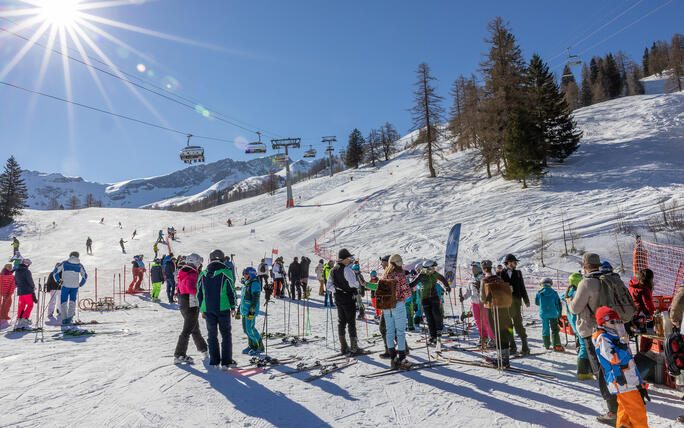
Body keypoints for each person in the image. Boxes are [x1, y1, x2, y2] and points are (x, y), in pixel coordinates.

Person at [565, 252, 619, 426]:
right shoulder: (609, 280)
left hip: (592, 331)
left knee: (600, 370)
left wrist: (568, 300)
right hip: (612, 329)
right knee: (613, 365)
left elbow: (575, 308)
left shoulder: (585, 283)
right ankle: (622, 403)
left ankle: (613, 411)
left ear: (585, 266)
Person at [592, 306, 649, 428]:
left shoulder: (614, 336)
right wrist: (623, 345)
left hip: (627, 379)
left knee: (624, 409)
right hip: (622, 380)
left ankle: (623, 425)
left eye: (618, 321)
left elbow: (629, 361)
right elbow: (613, 358)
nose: (616, 324)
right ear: (603, 323)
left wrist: (639, 380)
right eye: (612, 322)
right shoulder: (603, 338)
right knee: (637, 411)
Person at [196, 250, 236, 369]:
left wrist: (201, 308)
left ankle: (214, 361)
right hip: (223, 308)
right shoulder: (226, 273)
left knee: (212, 335)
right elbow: (231, 291)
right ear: (223, 259)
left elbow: (199, 293)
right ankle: (226, 362)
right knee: (226, 335)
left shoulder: (203, 274)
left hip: (208, 309)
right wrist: (233, 307)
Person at [173, 253, 208, 364]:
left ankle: (203, 349)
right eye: (199, 263)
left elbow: (181, 287)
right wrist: (200, 293)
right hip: (190, 303)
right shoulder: (192, 273)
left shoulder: (184, 271)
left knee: (194, 328)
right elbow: (190, 288)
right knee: (188, 329)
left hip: (183, 301)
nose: (199, 265)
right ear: (195, 263)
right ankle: (179, 354)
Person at [381, 253, 413, 369]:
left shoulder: (384, 275)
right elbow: (407, 294)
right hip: (398, 305)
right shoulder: (400, 275)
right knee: (400, 332)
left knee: (389, 331)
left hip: (386, 306)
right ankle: (402, 358)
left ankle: (393, 358)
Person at [480, 260, 513, 368]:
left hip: (491, 309)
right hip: (503, 308)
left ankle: (501, 360)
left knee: (497, 333)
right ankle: (505, 358)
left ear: (484, 269)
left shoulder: (484, 280)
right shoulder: (499, 278)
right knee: (503, 332)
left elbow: (482, 298)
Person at [327, 249, 361, 355]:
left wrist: (337, 290)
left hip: (338, 297)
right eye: (348, 258)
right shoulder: (347, 270)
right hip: (347, 297)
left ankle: (343, 346)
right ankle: (354, 347)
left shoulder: (333, 270)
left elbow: (329, 286)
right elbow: (353, 284)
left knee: (341, 321)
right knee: (351, 322)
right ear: (344, 259)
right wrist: (357, 285)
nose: (350, 260)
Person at [409, 260, 450, 345]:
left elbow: (442, 278)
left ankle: (438, 332)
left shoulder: (434, 274)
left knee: (437, 315)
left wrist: (447, 286)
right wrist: (404, 286)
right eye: (432, 268)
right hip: (425, 299)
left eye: (434, 268)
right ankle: (432, 336)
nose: (434, 269)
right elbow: (413, 284)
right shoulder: (421, 275)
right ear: (427, 268)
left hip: (434, 298)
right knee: (429, 318)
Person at [498, 254, 530, 355]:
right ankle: (512, 345)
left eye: (515, 262)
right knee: (508, 325)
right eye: (513, 262)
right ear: (507, 263)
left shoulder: (518, 273)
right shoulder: (499, 274)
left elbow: (522, 287)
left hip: (516, 303)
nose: (515, 264)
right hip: (505, 304)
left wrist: (526, 300)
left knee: (518, 324)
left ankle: (525, 346)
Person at [563, 272, 592, 380]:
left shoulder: (567, 293)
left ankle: (586, 369)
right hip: (580, 322)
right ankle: (583, 372)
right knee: (584, 345)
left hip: (574, 323)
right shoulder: (576, 293)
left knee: (583, 344)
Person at [461, 261, 495, 347]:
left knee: (486, 321)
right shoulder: (471, 279)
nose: (473, 270)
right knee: (478, 321)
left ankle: (493, 338)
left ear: (479, 269)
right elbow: (469, 292)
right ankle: (483, 337)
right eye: (472, 268)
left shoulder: (484, 277)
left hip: (483, 303)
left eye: (474, 268)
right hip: (474, 303)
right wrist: (463, 297)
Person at [53, 251, 88, 325]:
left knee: (64, 302)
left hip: (65, 285)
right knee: (72, 301)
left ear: (70, 256)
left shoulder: (65, 263)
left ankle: (64, 319)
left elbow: (55, 272)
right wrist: (81, 284)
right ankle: (69, 319)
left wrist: (58, 280)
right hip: (75, 286)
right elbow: (85, 276)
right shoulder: (79, 265)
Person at [629, 268, 656, 353]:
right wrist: (653, 313)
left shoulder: (633, 284)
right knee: (648, 335)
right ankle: (644, 354)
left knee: (643, 335)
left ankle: (642, 353)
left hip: (635, 313)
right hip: (644, 314)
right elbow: (648, 304)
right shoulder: (644, 288)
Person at [239, 267, 264, 355]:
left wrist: (252, 310)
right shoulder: (246, 284)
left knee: (250, 329)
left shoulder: (255, 283)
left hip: (250, 310)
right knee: (246, 329)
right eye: (243, 273)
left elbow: (255, 298)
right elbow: (242, 299)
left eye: (245, 273)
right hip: (244, 310)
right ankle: (251, 346)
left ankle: (259, 346)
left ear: (251, 274)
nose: (244, 275)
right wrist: (239, 310)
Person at [535, 277, 564, 351]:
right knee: (554, 329)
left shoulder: (539, 292)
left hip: (543, 313)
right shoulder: (554, 293)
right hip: (553, 313)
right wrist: (559, 314)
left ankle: (546, 344)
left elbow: (537, 303)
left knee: (545, 328)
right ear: (550, 284)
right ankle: (556, 345)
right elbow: (558, 304)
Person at [13, 258, 36, 330]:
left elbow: (16, 281)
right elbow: (30, 280)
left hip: (20, 291)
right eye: (28, 264)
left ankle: (19, 318)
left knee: (22, 305)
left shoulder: (17, 271)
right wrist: (33, 287)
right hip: (27, 291)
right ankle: (24, 318)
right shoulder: (26, 271)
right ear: (26, 264)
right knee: (30, 304)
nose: (29, 266)